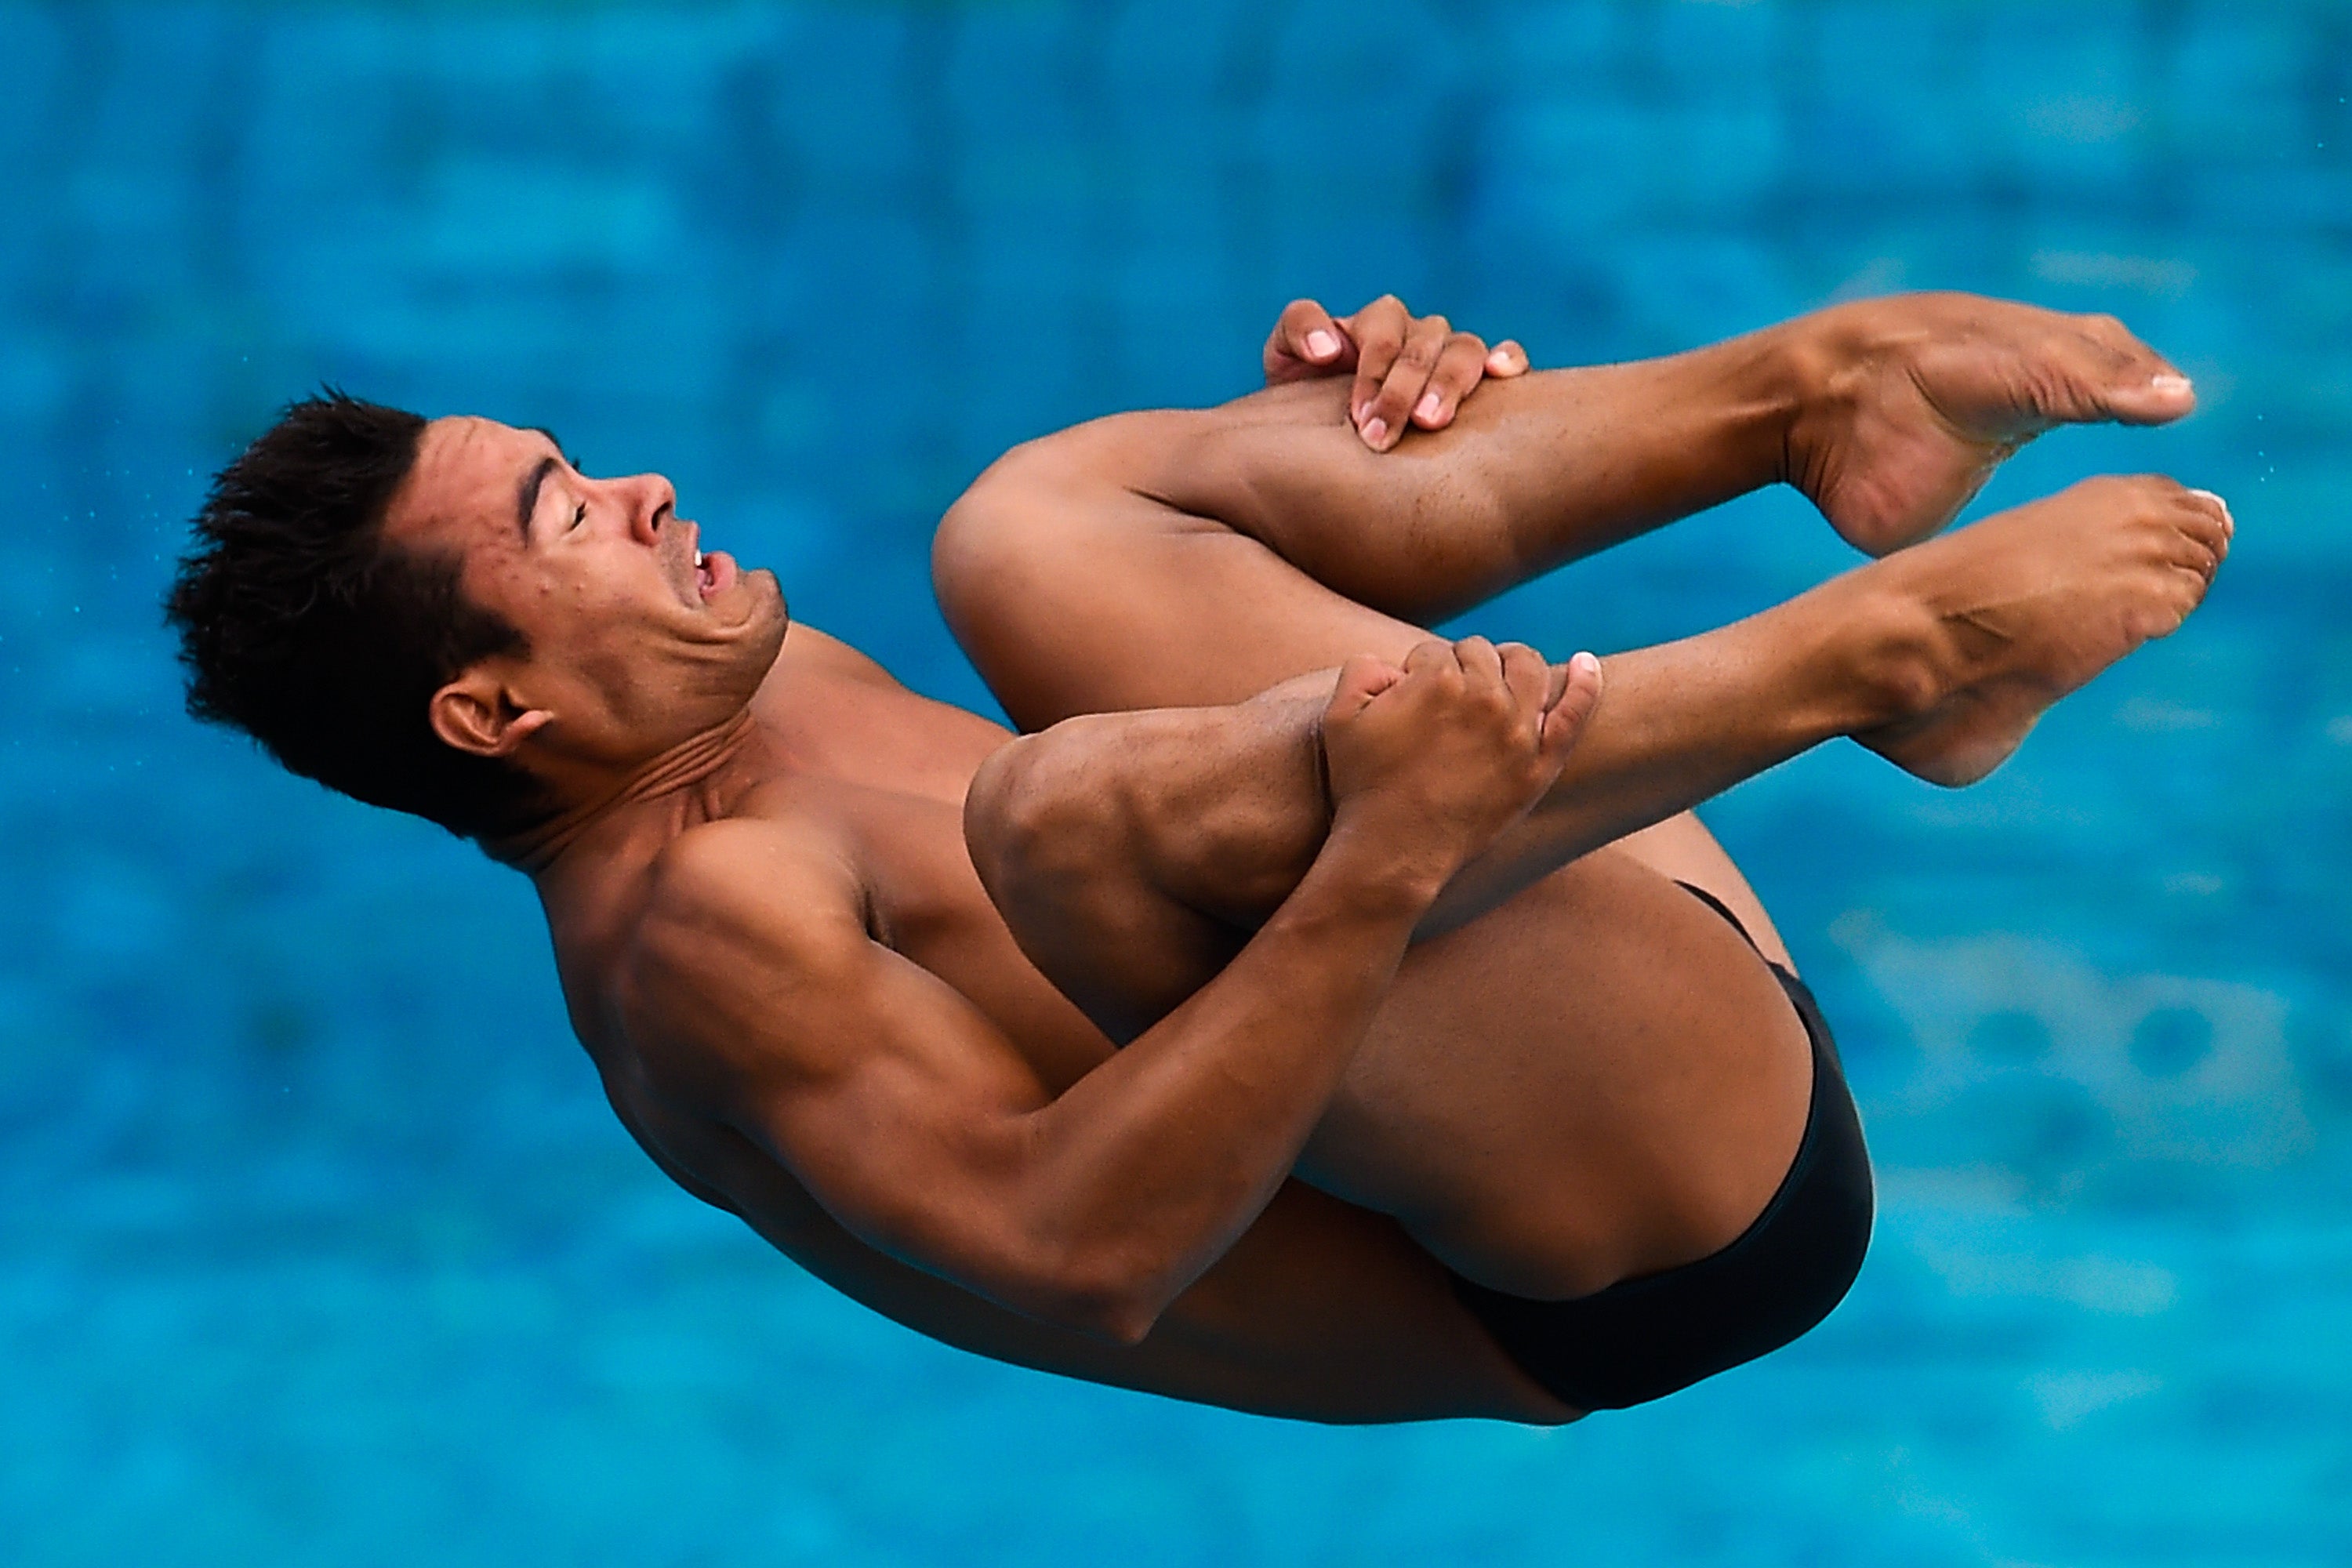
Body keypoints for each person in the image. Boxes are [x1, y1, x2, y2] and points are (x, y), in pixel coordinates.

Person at [165, 292, 2227, 1424]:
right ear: (495, 715)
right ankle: (1885, 654)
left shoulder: (727, 689)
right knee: (1068, 824)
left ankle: (1808, 400)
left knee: (1033, 525)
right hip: (1640, 1242)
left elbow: (1289, 726)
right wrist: (1374, 866)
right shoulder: (692, 944)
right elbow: (1082, 1248)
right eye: (561, 518)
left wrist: (1349, 443)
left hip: (1605, 970)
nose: (638, 489)